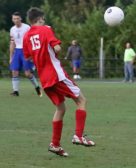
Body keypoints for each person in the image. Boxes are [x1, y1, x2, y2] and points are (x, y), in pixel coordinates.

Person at [23, 7, 95, 157]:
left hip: (44, 78)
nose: (44, 21)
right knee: (81, 100)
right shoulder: (45, 29)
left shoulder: (26, 36)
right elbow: (57, 48)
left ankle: (55, 145)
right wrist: (51, 45)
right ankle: (78, 136)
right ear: (39, 19)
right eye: (43, 19)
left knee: (60, 108)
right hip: (56, 75)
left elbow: (28, 57)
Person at [9, 11, 42, 96]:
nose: (16, 20)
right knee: (14, 71)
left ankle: (37, 87)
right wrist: (11, 57)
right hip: (17, 51)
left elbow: (32, 40)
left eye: (17, 18)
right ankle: (15, 91)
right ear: (12, 19)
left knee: (27, 74)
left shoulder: (27, 27)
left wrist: (32, 54)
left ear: (21, 19)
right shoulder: (12, 29)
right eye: (14, 18)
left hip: (26, 51)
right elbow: (12, 43)